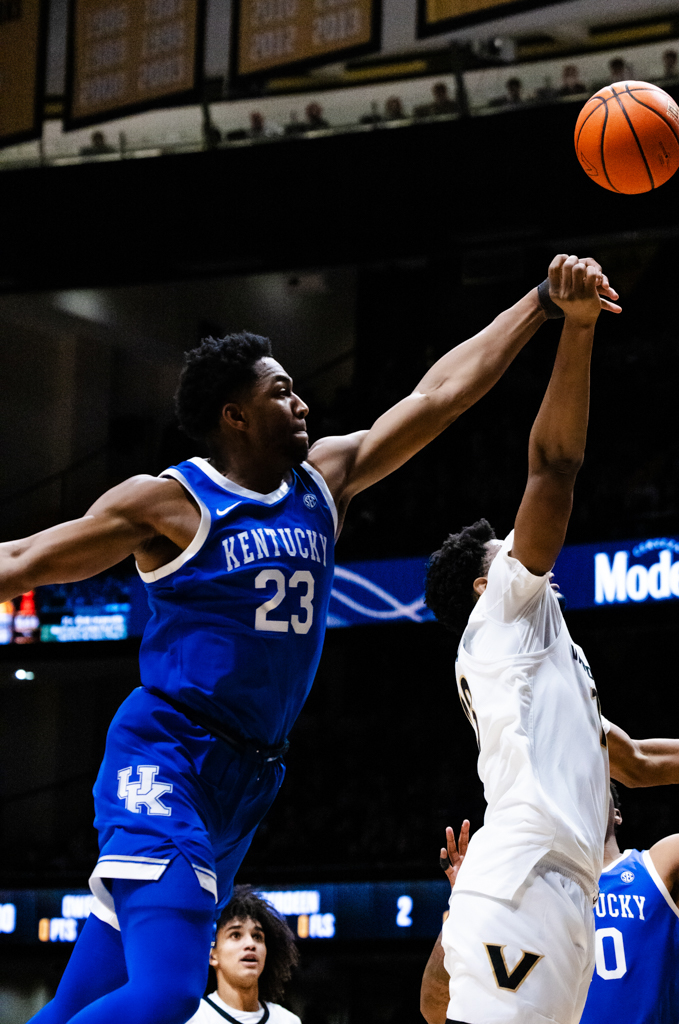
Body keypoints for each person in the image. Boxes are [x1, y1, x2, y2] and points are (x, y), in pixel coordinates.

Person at [18, 256, 597, 1024]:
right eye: (281, 391)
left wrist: (539, 303)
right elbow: (23, 560)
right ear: (235, 416)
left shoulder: (324, 479)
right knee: (168, 993)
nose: (302, 402)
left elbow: (440, 396)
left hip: (249, 775)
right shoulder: (170, 505)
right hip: (168, 754)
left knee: (83, 999)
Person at [422, 256, 679, 1024]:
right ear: (482, 585)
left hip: (562, 884)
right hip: (528, 870)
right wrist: (576, 328)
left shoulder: (539, 668)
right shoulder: (504, 611)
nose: (523, 549)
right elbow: (553, 466)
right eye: (504, 550)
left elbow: (633, 761)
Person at [420, 739, 679, 1024]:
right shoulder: (532, 896)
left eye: (591, 785)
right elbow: (436, 1009)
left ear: (616, 812)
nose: (577, 794)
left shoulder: (662, 864)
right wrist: (466, 905)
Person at [187, 886, 299, 1024]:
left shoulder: (288, 1020)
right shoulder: (192, 1018)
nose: (250, 944)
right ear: (211, 956)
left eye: (257, 936)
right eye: (236, 935)